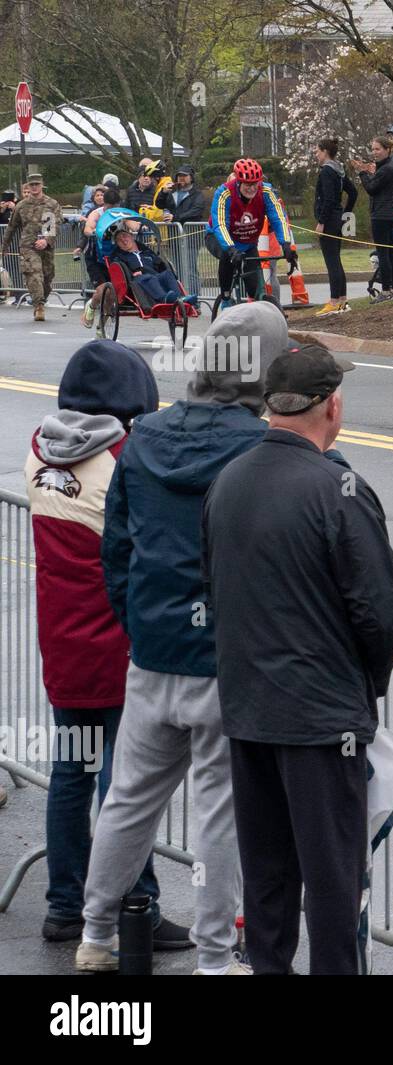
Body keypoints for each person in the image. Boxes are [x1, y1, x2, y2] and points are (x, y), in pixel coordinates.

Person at [78, 304, 290, 975]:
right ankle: (213, 957)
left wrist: (139, 623)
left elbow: (115, 549)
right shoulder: (258, 448)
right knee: (220, 817)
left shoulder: (144, 437)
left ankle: (95, 932)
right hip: (227, 662)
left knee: (128, 801)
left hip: (154, 651)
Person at [203, 343, 393, 975]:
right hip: (320, 720)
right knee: (333, 878)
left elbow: (214, 587)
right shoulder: (337, 488)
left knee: (267, 873)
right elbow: (380, 610)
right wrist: (363, 686)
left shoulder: (228, 479)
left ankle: (268, 968)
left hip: (248, 709)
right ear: (332, 407)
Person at [26, 341, 166, 946]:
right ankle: (134, 906)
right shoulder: (124, 457)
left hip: (61, 644)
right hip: (116, 643)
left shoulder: (39, 449)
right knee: (125, 783)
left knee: (71, 773)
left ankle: (64, 904)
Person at [206, 158, 299, 310]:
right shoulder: (224, 193)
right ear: (238, 182)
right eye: (248, 184)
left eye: (255, 183)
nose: (252, 188)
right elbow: (220, 225)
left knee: (254, 287)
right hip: (219, 238)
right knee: (226, 257)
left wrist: (286, 245)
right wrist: (230, 249)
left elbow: (278, 218)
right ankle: (226, 298)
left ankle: (256, 308)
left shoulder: (266, 191)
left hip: (248, 242)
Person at [2, 173, 61, 321]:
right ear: (28, 186)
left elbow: (54, 225)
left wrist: (46, 241)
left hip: (46, 247)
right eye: (31, 185)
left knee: (47, 278)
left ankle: (42, 298)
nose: (34, 187)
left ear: (42, 185)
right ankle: (39, 306)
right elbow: (11, 227)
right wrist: (4, 247)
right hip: (28, 247)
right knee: (33, 274)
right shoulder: (21, 205)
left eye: (37, 184)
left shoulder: (51, 204)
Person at [312, 137, 358, 315]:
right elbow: (352, 192)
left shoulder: (326, 172)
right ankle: (343, 300)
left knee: (332, 262)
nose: (316, 155)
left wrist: (321, 222)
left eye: (317, 151)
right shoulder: (339, 170)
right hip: (337, 218)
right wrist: (346, 213)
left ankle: (333, 301)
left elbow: (329, 199)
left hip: (329, 221)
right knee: (336, 260)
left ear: (324, 151)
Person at [355, 134, 393, 300]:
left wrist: (362, 173)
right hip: (388, 213)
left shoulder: (388, 168)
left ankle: (387, 290)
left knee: (384, 253)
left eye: (378, 149)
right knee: (391, 251)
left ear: (387, 150)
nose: (374, 152)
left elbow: (371, 188)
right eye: (373, 149)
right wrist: (372, 172)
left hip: (382, 214)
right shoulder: (387, 166)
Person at [105, 220, 186, 307]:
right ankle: (164, 299)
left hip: (155, 276)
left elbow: (161, 265)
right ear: (118, 245)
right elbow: (120, 271)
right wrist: (133, 274)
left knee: (167, 274)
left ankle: (181, 298)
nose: (123, 241)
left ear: (132, 237)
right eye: (119, 240)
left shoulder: (147, 252)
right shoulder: (119, 257)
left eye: (125, 236)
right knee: (148, 277)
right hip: (137, 280)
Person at [79, 186, 122, 333]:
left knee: (111, 295)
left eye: (115, 207)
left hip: (113, 256)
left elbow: (133, 224)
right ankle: (91, 305)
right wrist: (97, 232)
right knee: (103, 289)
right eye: (109, 208)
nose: (112, 211)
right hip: (95, 256)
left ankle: (101, 327)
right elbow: (87, 229)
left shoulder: (121, 213)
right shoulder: (96, 213)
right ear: (104, 205)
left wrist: (139, 226)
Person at [169, 165, 207, 296]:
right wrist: (163, 193)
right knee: (178, 269)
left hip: (191, 237)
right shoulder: (171, 193)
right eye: (179, 176)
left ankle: (194, 299)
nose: (181, 178)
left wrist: (176, 217)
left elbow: (197, 210)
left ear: (191, 178)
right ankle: (182, 298)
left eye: (185, 175)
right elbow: (160, 205)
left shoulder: (197, 194)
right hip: (173, 237)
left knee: (190, 269)